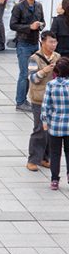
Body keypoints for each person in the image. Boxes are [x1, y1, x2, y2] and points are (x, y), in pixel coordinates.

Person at [27, 30, 59, 171]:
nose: (53, 45)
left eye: (55, 42)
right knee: (40, 129)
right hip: (39, 99)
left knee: (51, 131)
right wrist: (45, 70)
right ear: (42, 42)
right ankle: (33, 159)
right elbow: (32, 78)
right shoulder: (34, 58)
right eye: (50, 42)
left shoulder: (57, 57)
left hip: (54, 99)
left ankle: (45, 158)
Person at [10, 0, 45, 111]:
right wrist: (29, 27)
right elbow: (13, 25)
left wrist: (40, 25)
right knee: (24, 74)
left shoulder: (39, 6)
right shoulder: (19, 7)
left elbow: (44, 22)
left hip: (35, 43)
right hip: (23, 44)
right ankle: (20, 101)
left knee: (33, 74)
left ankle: (30, 99)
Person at [42, 56, 69, 190]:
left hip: (55, 126)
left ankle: (54, 180)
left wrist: (45, 122)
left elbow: (45, 106)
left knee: (55, 154)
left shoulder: (51, 85)